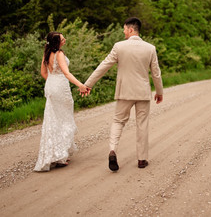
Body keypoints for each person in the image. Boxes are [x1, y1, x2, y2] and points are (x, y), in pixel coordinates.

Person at [84, 17, 163, 171]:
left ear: (131, 29)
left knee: (118, 121)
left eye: (125, 29)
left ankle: (113, 150)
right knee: (142, 125)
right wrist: (159, 92)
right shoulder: (150, 48)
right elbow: (156, 73)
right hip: (142, 92)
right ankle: (142, 159)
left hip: (124, 92)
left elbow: (104, 65)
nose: (123, 32)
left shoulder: (119, 47)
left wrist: (88, 84)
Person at [34, 32, 88, 172]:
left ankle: (56, 153)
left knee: (53, 119)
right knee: (64, 119)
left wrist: (52, 83)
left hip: (51, 86)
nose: (65, 39)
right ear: (56, 42)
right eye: (62, 38)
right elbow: (67, 73)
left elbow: (44, 73)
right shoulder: (59, 54)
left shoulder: (46, 54)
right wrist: (80, 85)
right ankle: (60, 155)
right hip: (60, 88)